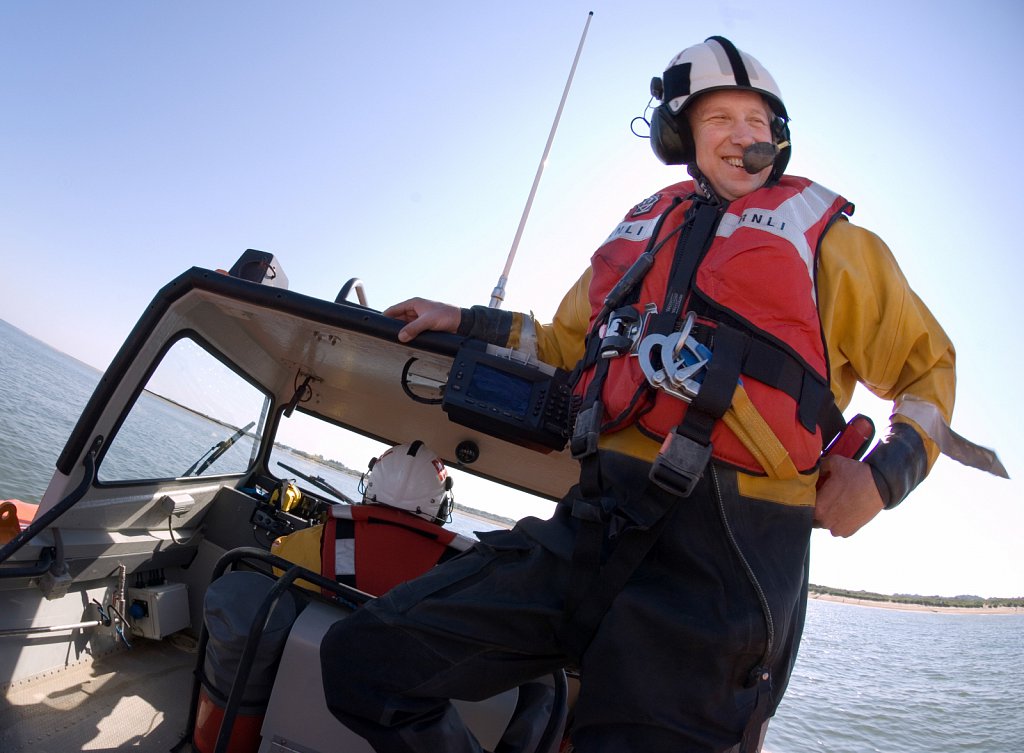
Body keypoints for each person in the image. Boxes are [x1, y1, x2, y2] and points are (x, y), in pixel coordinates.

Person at [319, 36, 968, 752]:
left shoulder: (835, 246)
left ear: (777, 139)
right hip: (590, 529)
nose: (742, 136)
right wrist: (468, 320)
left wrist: (884, 476)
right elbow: (566, 343)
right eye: (720, 120)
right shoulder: (641, 229)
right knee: (363, 658)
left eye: (757, 122)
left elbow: (928, 372)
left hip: (721, 575)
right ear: (679, 135)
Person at [272, 441, 462, 595]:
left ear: (371, 485)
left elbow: (278, 555)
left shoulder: (323, 539)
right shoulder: (452, 571)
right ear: (440, 508)